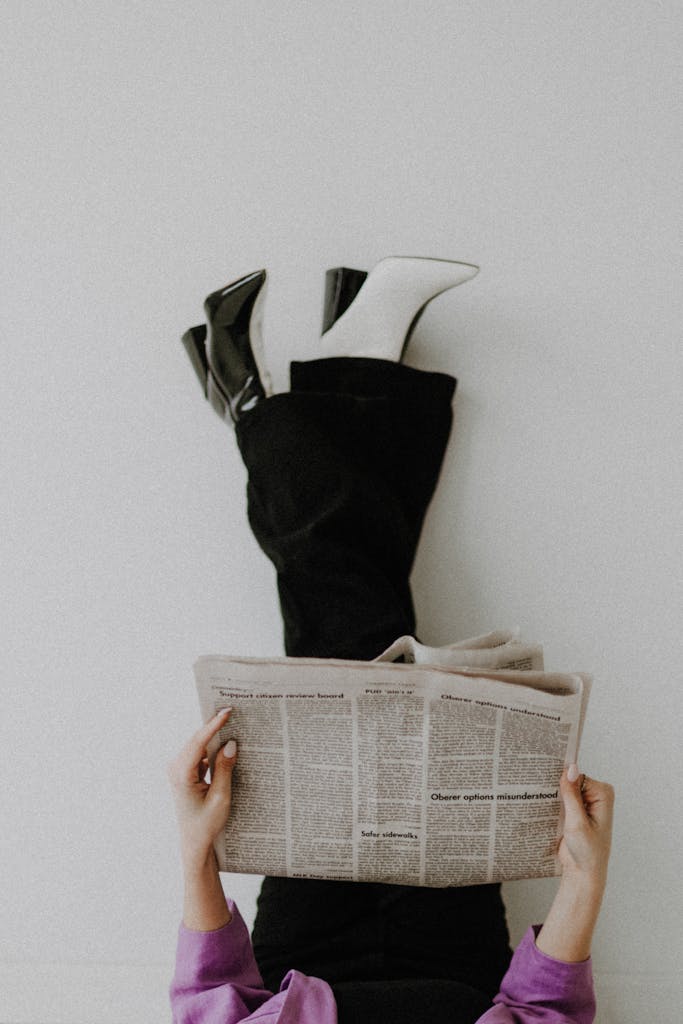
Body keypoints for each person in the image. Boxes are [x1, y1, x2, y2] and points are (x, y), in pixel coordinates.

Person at [168, 258, 615, 1023]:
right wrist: (584, 880)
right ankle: (293, 395)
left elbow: (212, 1003)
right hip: (453, 931)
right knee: (367, 655)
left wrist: (196, 847)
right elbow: (546, 1013)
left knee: (347, 655)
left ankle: (313, 390)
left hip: (307, 933)